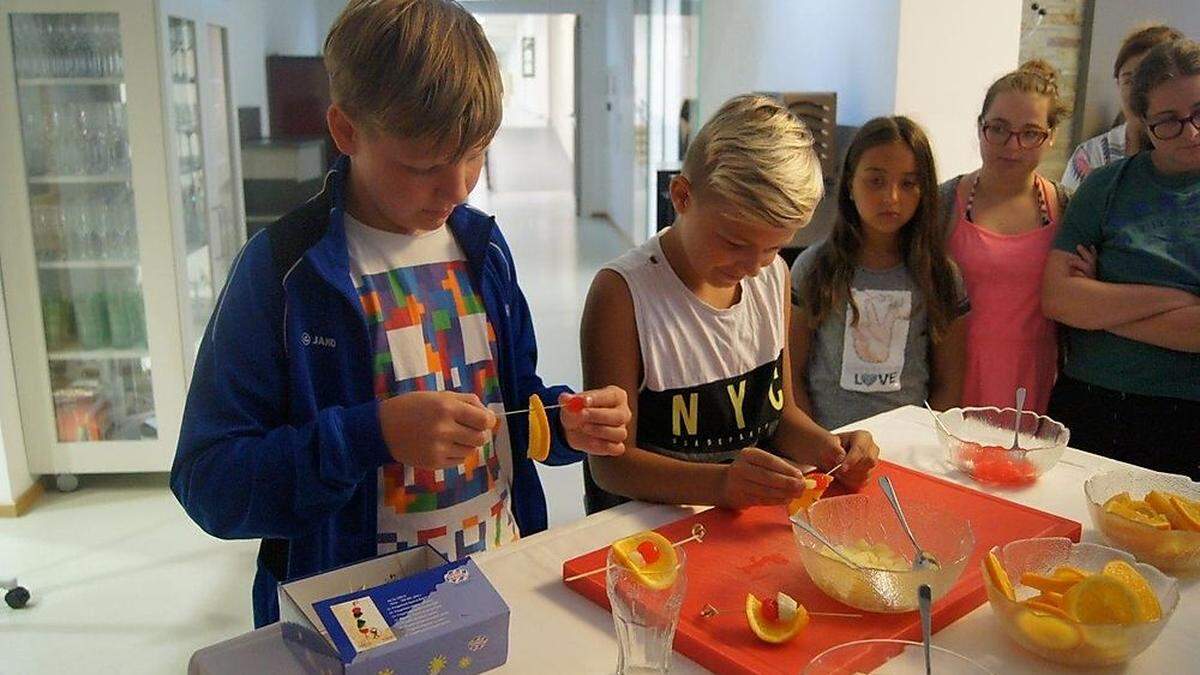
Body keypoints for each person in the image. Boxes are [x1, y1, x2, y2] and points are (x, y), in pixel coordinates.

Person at [170, 0, 630, 627]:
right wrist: (370, 435)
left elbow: (508, 411)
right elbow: (210, 484)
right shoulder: (283, 273)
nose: (459, 187)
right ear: (346, 130)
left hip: (494, 584)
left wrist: (564, 423)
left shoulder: (484, 250)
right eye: (423, 166)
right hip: (349, 620)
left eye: (476, 155)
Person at [580, 95, 880, 514]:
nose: (753, 267)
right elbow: (611, 466)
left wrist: (830, 448)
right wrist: (720, 484)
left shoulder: (774, 276)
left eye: (773, 247)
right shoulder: (622, 295)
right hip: (647, 535)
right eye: (735, 243)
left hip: (735, 525)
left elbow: (781, 414)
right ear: (682, 196)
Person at [1043, 38, 1200, 479]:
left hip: (1186, 416)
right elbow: (1058, 299)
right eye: (1169, 121)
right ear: (1145, 123)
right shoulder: (1106, 186)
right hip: (1089, 402)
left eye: (1199, 113)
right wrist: (1178, 298)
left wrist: (1101, 307)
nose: (1190, 133)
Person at [793, 116, 969, 430]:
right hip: (827, 446)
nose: (892, 198)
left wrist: (921, 443)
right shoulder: (814, 268)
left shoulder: (940, 275)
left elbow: (949, 384)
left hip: (908, 452)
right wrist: (816, 444)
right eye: (876, 181)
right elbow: (790, 377)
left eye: (909, 183)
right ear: (849, 182)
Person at [940, 60, 1070, 414]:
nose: (1012, 146)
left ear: (1051, 136)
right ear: (980, 127)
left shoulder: (1066, 208)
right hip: (951, 375)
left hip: (1034, 380)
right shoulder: (942, 204)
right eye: (998, 129)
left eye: (1029, 133)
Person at [1061, 24, 1185, 190]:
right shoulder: (1091, 157)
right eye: (1129, 80)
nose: (1138, 91)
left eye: (1153, 79)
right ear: (1117, 83)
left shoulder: (1191, 148)